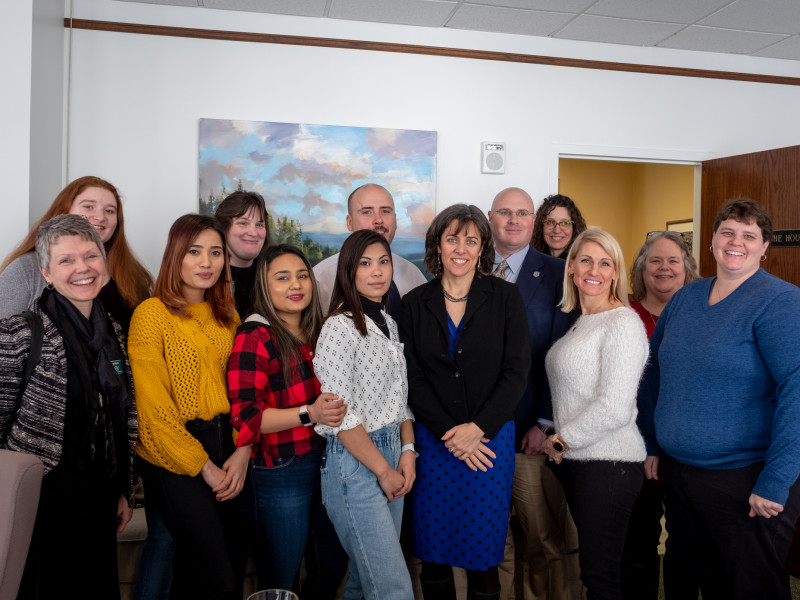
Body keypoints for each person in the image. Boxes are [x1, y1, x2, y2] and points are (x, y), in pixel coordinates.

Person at [639, 198, 800, 600]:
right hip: (683, 475)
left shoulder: (780, 302)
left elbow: (797, 393)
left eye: (750, 235)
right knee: (682, 577)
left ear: (765, 247)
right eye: (728, 232)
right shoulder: (686, 297)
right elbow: (655, 370)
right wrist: (653, 443)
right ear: (711, 241)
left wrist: (776, 482)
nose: (736, 242)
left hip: (747, 480)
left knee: (747, 587)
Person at [0, 214, 138, 599]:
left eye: (91, 256)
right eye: (66, 260)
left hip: (99, 501)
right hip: (41, 506)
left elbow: (122, 415)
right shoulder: (20, 335)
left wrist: (123, 490)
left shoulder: (114, 334)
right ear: (45, 271)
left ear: (105, 264)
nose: (82, 268)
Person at [402, 204, 530, 600]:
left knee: (483, 555)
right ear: (437, 246)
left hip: (489, 443)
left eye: (471, 240)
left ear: (482, 248)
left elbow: (516, 372)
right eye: (452, 238)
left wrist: (477, 430)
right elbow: (412, 378)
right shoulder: (413, 302)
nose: (461, 248)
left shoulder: (506, 297)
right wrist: (449, 433)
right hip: (434, 445)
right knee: (434, 555)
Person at [128, 214, 248, 600]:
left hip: (229, 445)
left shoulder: (228, 316)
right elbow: (153, 413)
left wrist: (243, 450)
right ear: (175, 255)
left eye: (216, 253)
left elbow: (247, 393)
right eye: (194, 251)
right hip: (174, 454)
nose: (207, 262)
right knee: (219, 579)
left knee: (219, 568)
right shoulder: (151, 314)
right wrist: (206, 469)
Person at [226, 244, 348, 597]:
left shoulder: (320, 331)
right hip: (281, 470)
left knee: (332, 565)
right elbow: (246, 418)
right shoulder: (254, 337)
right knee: (281, 575)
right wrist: (309, 412)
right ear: (264, 286)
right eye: (282, 278)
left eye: (301, 276)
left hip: (328, 463)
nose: (295, 285)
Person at [543, 228, 648, 600]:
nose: (595, 269)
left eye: (606, 263)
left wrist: (559, 439)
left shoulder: (623, 322)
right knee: (595, 573)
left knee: (600, 577)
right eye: (585, 259)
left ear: (616, 273)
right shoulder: (580, 321)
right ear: (571, 266)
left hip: (610, 463)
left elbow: (615, 407)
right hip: (581, 462)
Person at [313, 229, 417, 600]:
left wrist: (407, 453)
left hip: (392, 451)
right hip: (356, 465)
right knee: (393, 588)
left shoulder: (388, 322)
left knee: (363, 581)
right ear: (349, 271)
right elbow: (339, 416)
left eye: (383, 261)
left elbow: (402, 400)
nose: (377, 271)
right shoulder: (338, 328)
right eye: (365, 263)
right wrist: (384, 470)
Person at [488, 188, 581, 600]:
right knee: (494, 539)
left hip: (531, 433)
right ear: (491, 218)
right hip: (481, 435)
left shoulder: (560, 273)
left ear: (533, 221)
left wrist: (545, 422)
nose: (513, 220)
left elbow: (563, 356)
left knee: (542, 537)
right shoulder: (467, 268)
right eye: (504, 212)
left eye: (522, 213)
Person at [620, 231, 697, 600]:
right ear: (641, 268)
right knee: (639, 547)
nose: (664, 268)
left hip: (688, 451)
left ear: (687, 269)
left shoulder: (702, 317)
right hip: (636, 447)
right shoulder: (623, 315)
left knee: (689, 545)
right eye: (655, 260)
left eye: (673, 261)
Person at [0, 175, 153, 329]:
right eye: (88, 206)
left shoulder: (133, 273)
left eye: (109, 210)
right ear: (63, 211)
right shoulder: (24, 269)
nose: (100, 217)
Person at [313, 183, 426, 321]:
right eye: (367, 212)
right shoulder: (320, 278)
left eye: (385, 211)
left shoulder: (413, 275)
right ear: (349, 222)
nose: (378, 220)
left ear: (395, 220)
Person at [215, 190, 271, 318]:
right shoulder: (209, 278)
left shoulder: (273, 275)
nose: (253, 232)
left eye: (259, 224)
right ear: (223, 227)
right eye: (243, 223)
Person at [531, 194, 587, 259]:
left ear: (574, 228)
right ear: (541, 227)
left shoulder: (582, 262)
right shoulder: (532, 259)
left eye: (565, 223)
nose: (557, 230)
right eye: (550, 222)